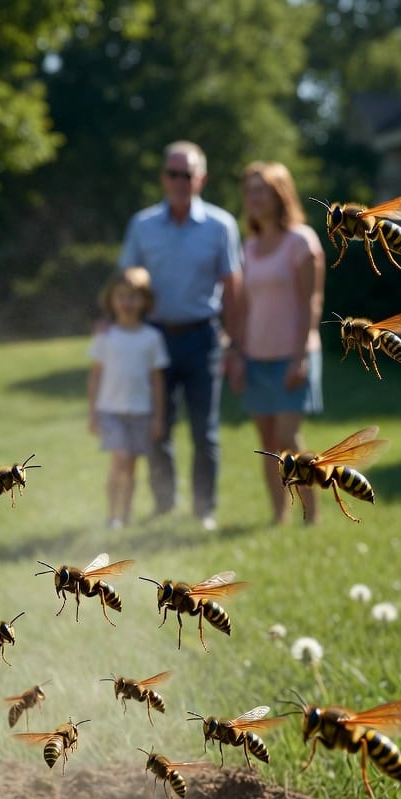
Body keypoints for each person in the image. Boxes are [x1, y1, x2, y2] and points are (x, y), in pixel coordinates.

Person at [118, 140, 242, 530]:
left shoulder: (221, 225)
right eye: (172, 174)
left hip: (202, 337)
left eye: (187, 174)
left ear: (201, 178)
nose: (179, 181)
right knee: (157, 427)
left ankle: (204, 509)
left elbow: (233, 287)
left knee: (205, 431)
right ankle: (164, 504)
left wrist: (234, 343)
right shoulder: (142, 225)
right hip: (154, 338)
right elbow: (126, 282)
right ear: (162, 178)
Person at [227, 160, 326, 525]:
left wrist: (300, 357)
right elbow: (243, 306)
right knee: (268, 445)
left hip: (293, 355)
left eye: (261, 190)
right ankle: (278, 515)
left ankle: (311, 515)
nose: (253, 198)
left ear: (280, 194)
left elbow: (312, 302)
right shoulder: (249, 246)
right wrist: (236, 353)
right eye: (249, 190)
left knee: (288, 438)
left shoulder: (302, 240)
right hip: (256, 356)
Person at [87, 267, 168, 528]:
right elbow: (95, 376)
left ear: (145, 301)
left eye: (134, 296)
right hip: (111, 411)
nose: (127, 302)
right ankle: (113, 514)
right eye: (121, 295)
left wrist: (158, 417)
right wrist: (92, 413)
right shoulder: (106, 336)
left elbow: (157, 381)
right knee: (119, 459)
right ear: (111, 300)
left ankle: (126, 513)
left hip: (140, 411)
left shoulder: (152, 338)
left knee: (131, 468)